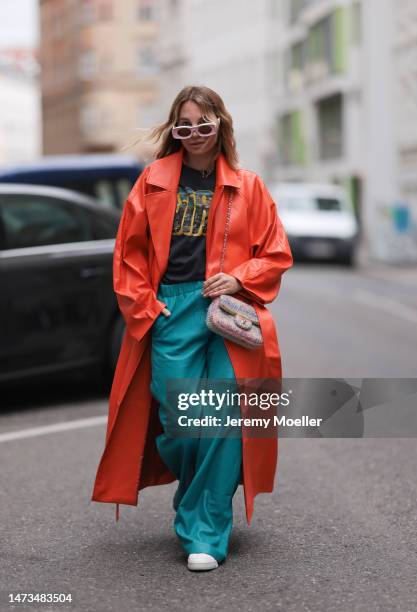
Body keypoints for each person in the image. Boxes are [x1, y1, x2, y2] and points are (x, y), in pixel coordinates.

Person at [91, 85, 293, 572]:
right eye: (185, 126)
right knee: (180, 423)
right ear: (174, 129)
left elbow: (276, 253)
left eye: (205, 124)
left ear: (221, 124)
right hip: (172, 307)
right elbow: (129, 255)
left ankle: (204, 530)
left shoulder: (250, 186)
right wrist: (147, 308)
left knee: (223, 418)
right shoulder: (152, 182)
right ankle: (195, 492)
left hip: (227, 310)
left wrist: (240, 276)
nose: (196, 134)